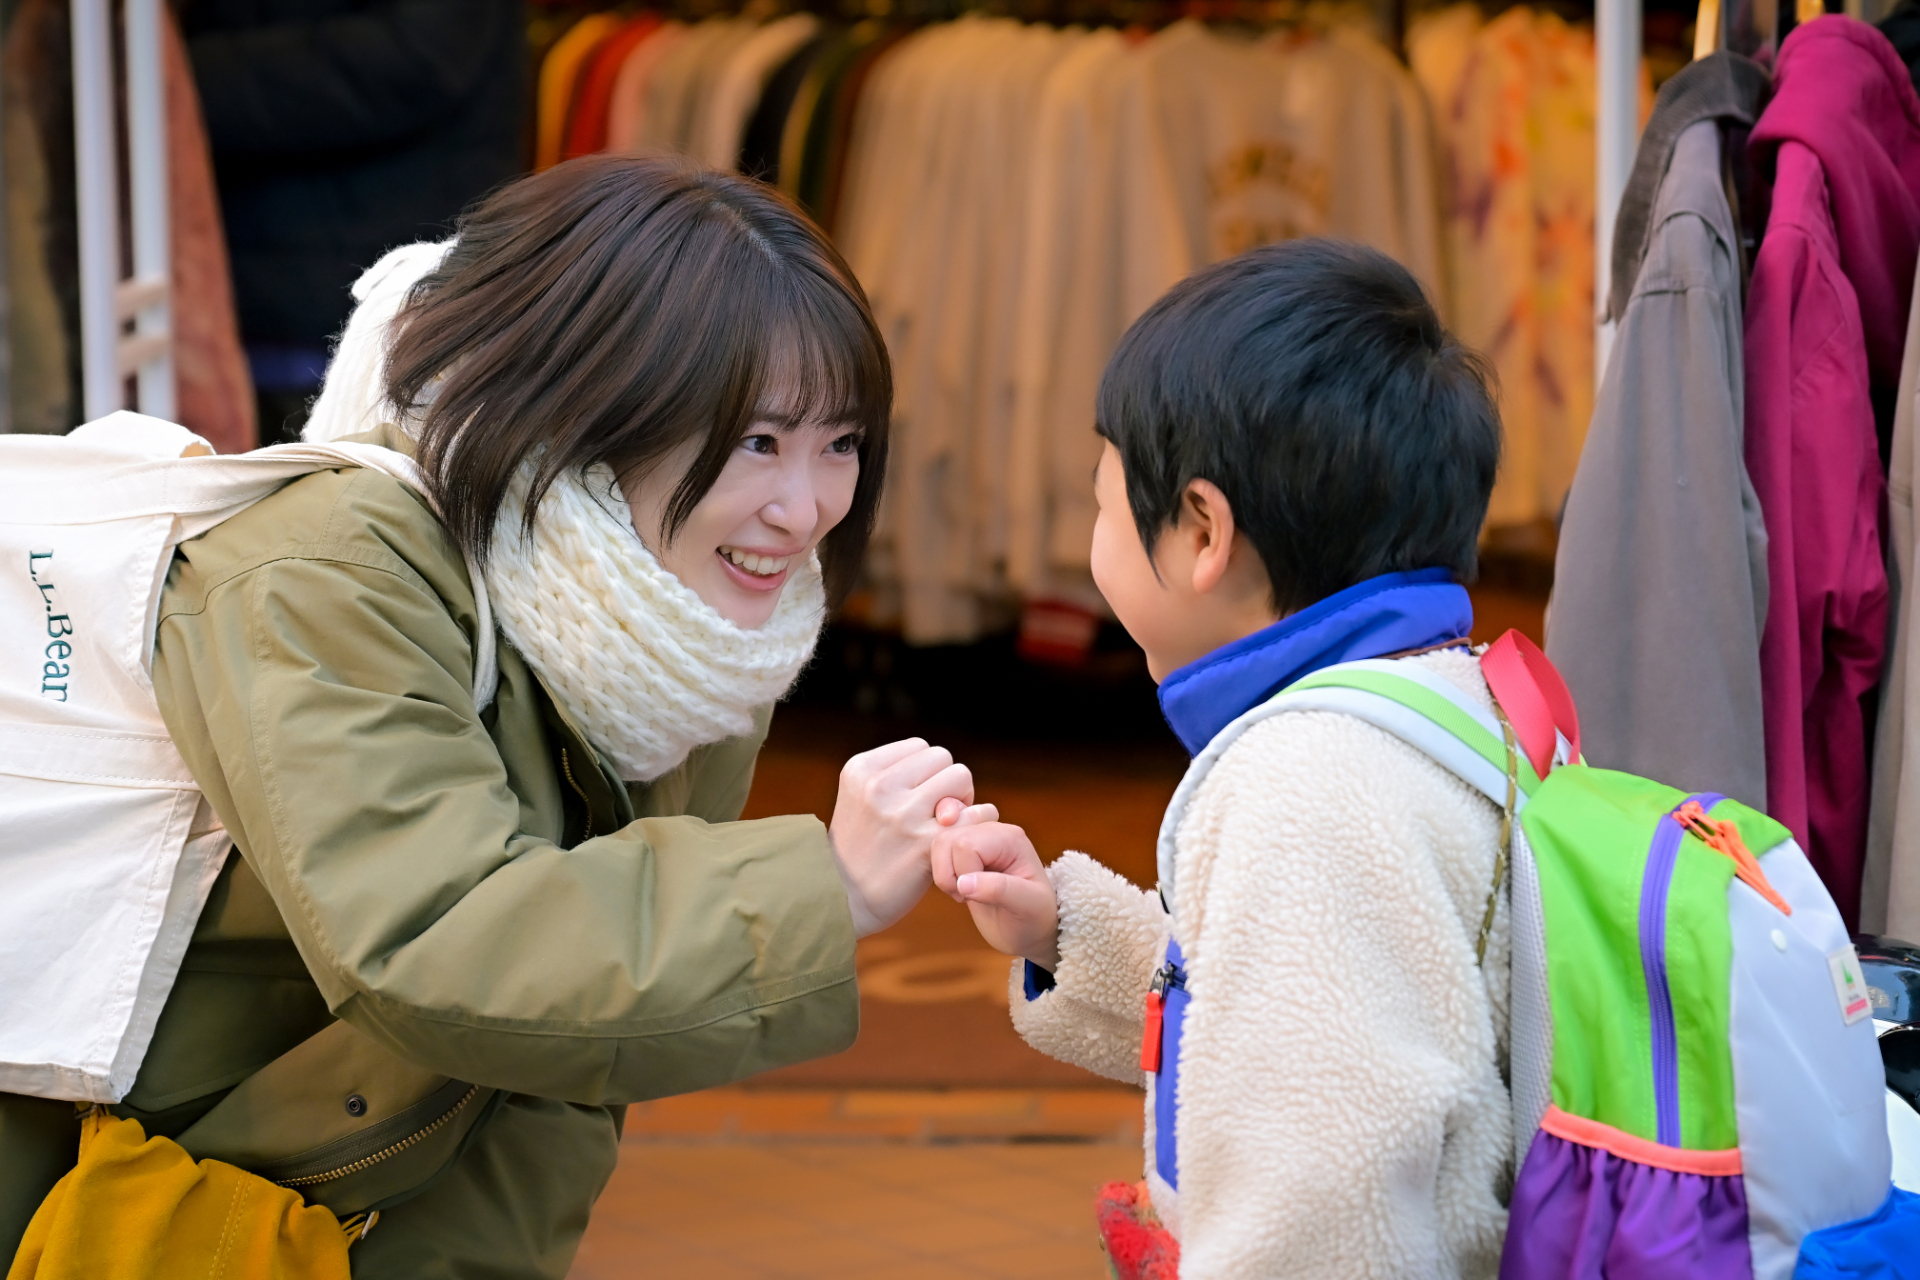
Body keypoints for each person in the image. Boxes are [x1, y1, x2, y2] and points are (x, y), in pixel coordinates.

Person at [0, 156, 988, 1276]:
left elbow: (558, 1076)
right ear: (596, 406)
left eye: (842, 442)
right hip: (93, 1195)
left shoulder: (683, 635)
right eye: (758, 440)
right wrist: (829, 888)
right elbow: (433, 940)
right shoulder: (324, 569)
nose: (806, 507)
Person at [933, 240, 1510, 1278]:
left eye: (1104, 502)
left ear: (1202, 529)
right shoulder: (1457, 702)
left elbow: (1326, 1222)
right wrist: (1068, 928)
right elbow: (1290, 1008)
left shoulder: (1308, 787)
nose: (1096, 535)